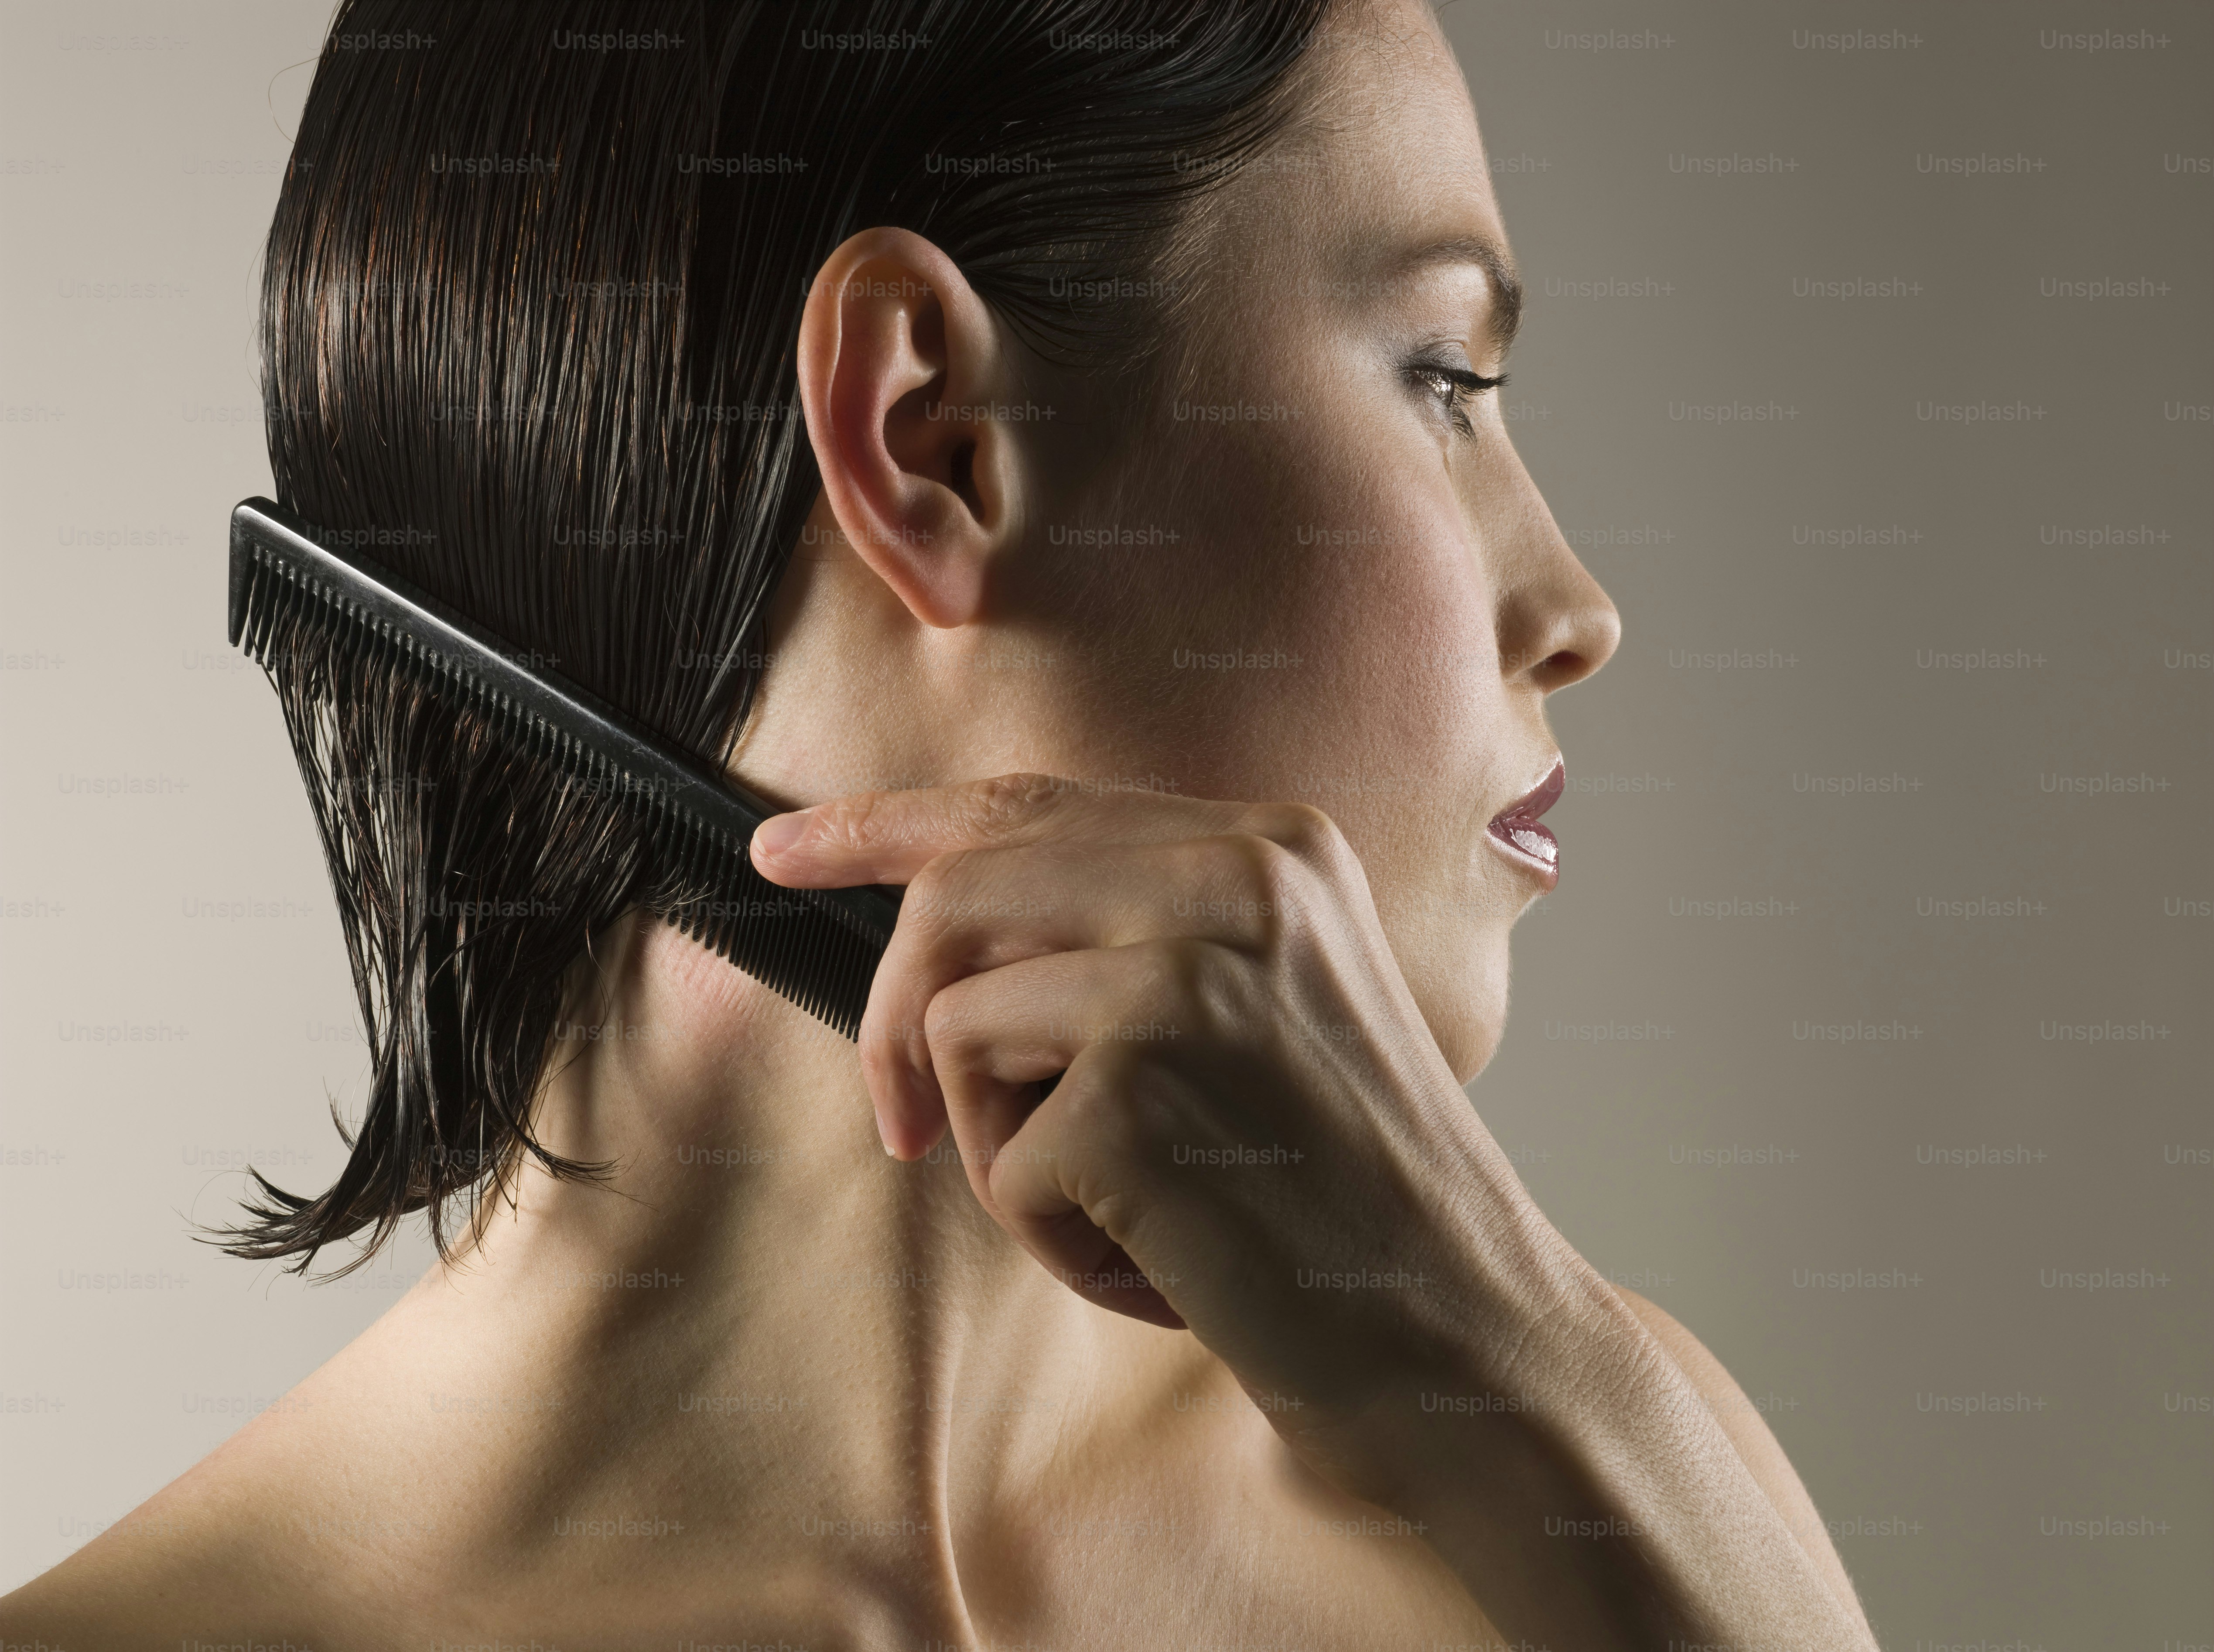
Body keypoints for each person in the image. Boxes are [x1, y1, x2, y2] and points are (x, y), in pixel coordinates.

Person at [2, 1, 1881, 1645]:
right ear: (930, 438)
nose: (1579, 604)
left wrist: (1513, 1356)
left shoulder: (1580, 1482)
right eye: (1448, 380)